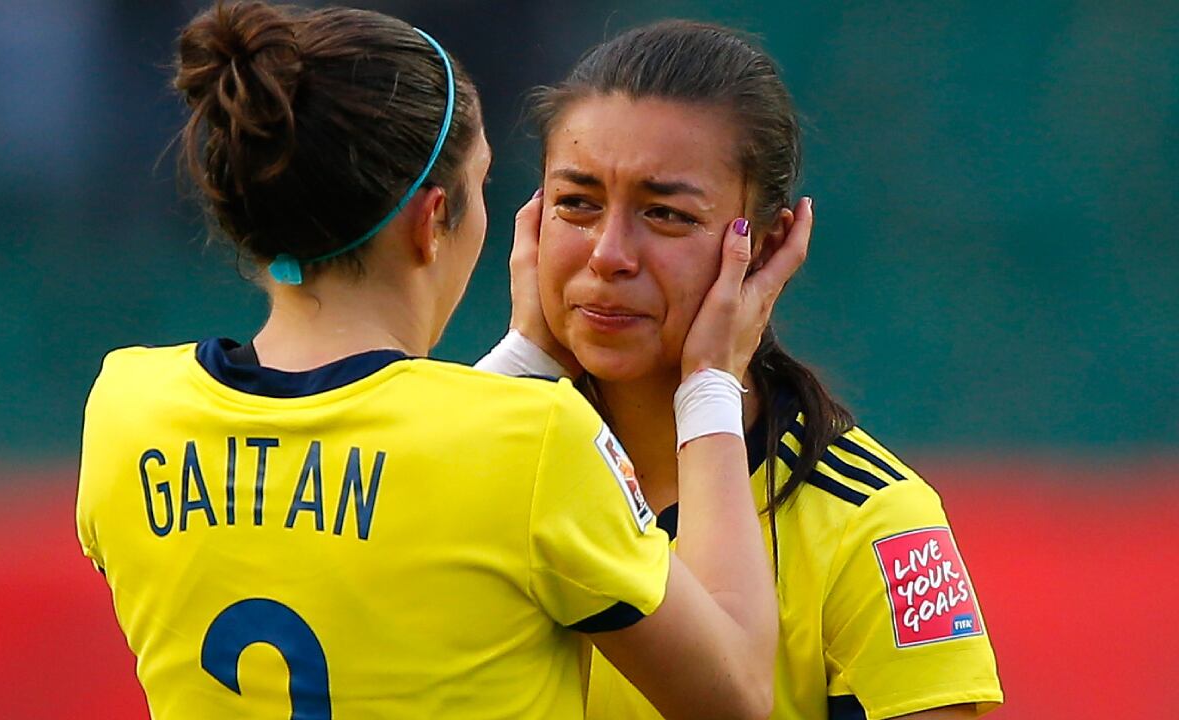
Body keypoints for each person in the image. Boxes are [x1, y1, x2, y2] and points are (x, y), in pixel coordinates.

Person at [76, 3, 807, 718]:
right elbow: (738, 692)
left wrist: (522, 358)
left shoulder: (126, 410)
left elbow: (369, 523)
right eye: (481, 184)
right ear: (431, 222)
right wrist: (711, 383)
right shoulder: (535, 441)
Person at [486, 19, 1003, 720]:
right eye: (577, 204)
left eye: (665, 214)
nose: (608, 254)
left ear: (764, 246)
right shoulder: (480, 465)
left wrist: (706, 388)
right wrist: (524, 356)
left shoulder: (870, 521)